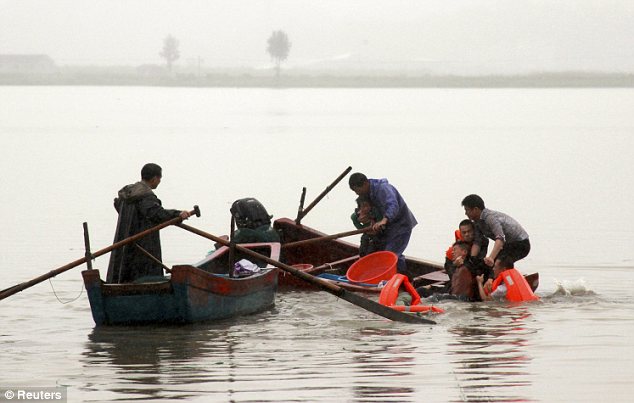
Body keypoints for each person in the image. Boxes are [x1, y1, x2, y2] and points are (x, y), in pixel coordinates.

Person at [106, 163, 191, 284]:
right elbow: (155, 213)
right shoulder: (146, 195)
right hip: (142, 247)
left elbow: (118, 206)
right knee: (146, 278)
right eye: (159, 179)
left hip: (125, 244)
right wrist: (177, 214)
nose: (159, 182)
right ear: (154, 178)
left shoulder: (127, 195)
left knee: (125, 275)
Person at [349, 172, 417, 275]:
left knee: (390, 254)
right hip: (387, 228)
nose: (357, 194)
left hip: (401, 225)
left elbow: (393, 205)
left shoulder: (383, 188)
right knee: (389, 253)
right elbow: (366, 210)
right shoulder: (367, 193)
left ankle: (400, 280)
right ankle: (400, 276)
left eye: (358, 190)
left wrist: (385, 219)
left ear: (365, 184)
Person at [461, 194, 530, 274]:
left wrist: (491, 258)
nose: (466, 213)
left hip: (521, 244)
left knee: (498, 264)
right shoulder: (477, 222)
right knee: (487, 266)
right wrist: (471, 259)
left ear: (475, 209)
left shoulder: (490, 218)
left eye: (467, 210)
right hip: (507, 245)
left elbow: (500, 238)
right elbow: (477, 242)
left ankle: (509, 281)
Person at [444, 219, 490, 288]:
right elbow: (448, 265)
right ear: (461, 233)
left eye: (469, 231)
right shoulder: (457, 245)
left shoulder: (482, 241)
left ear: (474, 231)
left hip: (473, 265)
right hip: (456, 268)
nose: (467, 234)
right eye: (464, 232)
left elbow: (478, 260)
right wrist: (455, 265)